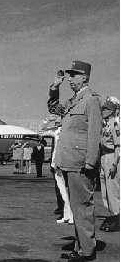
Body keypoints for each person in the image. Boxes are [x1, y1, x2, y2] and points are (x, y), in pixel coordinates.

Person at [48, 61, 102, 262]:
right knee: (77, 206)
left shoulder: (92, 100)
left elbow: (94, 133)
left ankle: (87, 251)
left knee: (82, 207)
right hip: (69, 160)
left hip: (81, 162)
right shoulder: (74, 100)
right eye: (69, 76)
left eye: (73, 76)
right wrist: (55, 87)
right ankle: (81, 248)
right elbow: (54, 108)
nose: (70, 80)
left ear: (84, 77)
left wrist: (90, 161)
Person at [41, 115, 74, 224]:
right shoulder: (56, 130)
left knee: (70, 191)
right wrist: (46, 122)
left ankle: (73, 215)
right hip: (56, 163)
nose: (56, 119)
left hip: (66, 162)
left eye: (58, 117)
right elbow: (42, 133)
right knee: (62, 191)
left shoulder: (70, 129)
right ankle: (66, 215)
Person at [99, 97, 120, 232]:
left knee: (113, 189)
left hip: (112, 156)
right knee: (105, 189)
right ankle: (112, 214)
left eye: (107, 109)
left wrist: (115, 163)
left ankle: (117, 216)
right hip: (103, 157)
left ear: (112, 111)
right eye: (103, 108)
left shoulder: (115, 125)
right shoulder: (105, 124)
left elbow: (118, 146)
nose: (104, 111)